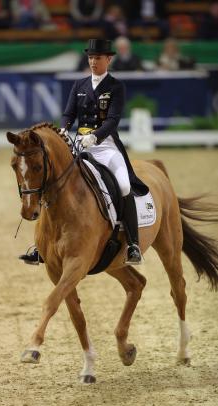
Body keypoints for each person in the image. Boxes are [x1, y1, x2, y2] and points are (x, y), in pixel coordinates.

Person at [20, 39, 149, 266]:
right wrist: (63, 129)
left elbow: (113, 120)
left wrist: (95, 136)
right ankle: (43, 245)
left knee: (125, 185)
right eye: (90, 58)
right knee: (54, 180)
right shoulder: (79, 85)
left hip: (105, 145)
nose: (92, 62)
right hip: (78, 144)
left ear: (108, 59)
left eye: (97, 58)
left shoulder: (115, 87)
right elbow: (68, 114)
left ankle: (133, 244)